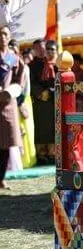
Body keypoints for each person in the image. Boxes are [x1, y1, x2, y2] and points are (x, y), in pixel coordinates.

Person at [0, 26, 26, 189]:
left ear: (9, 37)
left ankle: (1, 178)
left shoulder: (14, 58)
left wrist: (12, 90)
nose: (2, 37)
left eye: (5, 34)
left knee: (5, 144)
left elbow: (19, 80)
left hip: (7, 105)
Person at [8, 41, 36, 169]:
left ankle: (27, 160)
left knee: (26, 131)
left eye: (14, 49)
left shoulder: (23, 66)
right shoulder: (7, 67)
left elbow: (24, 88)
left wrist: (21, 104)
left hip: (23, 101)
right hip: (11, 101)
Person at [29, 39, 58, 164]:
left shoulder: (60, 64)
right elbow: (32, 81)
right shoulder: (37, 65)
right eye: (48, 49)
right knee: (40, 128)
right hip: (40, 101)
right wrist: (40, 93)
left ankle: (53, 154)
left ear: (57, 51)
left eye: (53, 49)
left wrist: (51, 92)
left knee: (53, 128)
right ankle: (41, 155)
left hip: (55, 102)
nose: (50, 51)